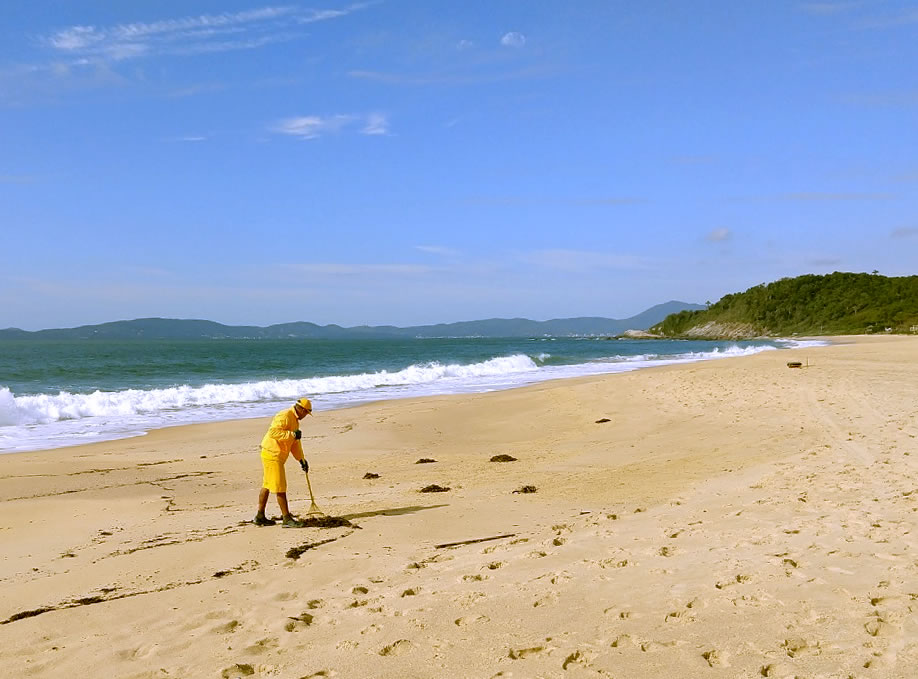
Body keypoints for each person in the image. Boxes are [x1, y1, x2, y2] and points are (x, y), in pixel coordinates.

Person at [254, 397, 312, 527]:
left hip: (275, 455)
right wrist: (292, 435)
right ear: (301, 409)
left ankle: (259, 516)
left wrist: (301, 459)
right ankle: (287, 519)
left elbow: (294, 444)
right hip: (272, 453)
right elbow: (273, 432)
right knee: (280, 486)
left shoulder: (295, 421)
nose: (306, 416)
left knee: (268, 484)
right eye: (306, 413)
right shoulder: (285, 415)